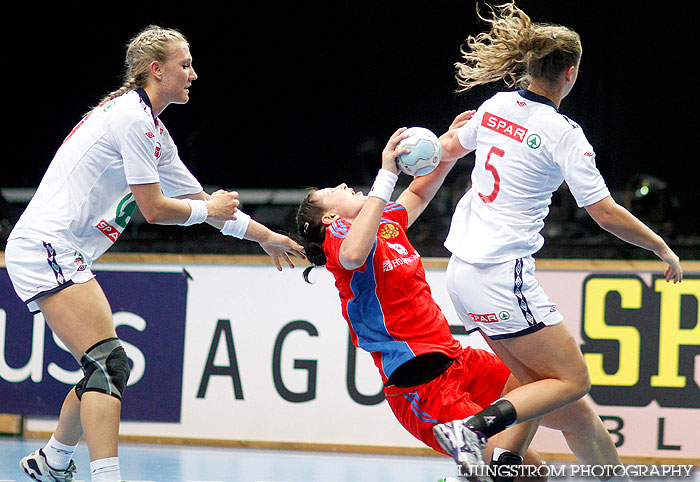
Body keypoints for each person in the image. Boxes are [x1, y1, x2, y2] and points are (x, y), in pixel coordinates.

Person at [4, 25, 303, 482]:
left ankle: (52, 461)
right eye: (184, 65)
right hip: (48, 244)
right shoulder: (132, 118)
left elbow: (203, 205)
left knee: (100, 365)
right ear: (155, 69)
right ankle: (105, 475)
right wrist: (208, 207)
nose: (193, 74)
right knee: (109, 363)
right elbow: (156, 209)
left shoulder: (153, 130)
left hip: (60, 250)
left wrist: (266, 236)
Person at [423, 3, 683, 481]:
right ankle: (472, 433)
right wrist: (661, 247)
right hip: (502, 274)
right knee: (573, 380)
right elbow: (603, 212)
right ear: (571, 72)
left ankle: (501, 467)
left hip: (461, 272)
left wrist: (416, 150)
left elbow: (446, 150)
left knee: (537, 384)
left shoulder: (495, 106)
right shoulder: (565, 134)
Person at [295, 125, 547, 482]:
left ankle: (476, 472)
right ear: (329, 217)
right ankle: (476, 472)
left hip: (456, 359)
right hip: (421, 386)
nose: (343, 186)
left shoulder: (385, 224)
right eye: (333, 192)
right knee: (517, 475)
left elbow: (420, 189)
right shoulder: (340, 238)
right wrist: (385, 174)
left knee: (537, 389)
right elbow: (354, 254)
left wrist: (450, 145)